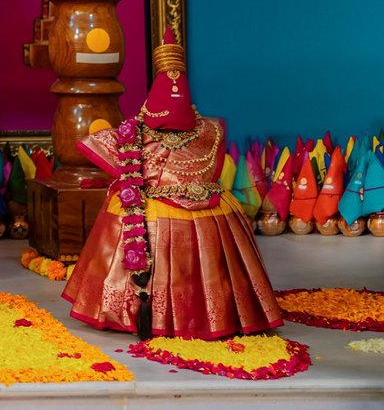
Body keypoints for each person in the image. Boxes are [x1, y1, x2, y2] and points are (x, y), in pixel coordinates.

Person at [62, 42, 282, 339]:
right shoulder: (129, 137)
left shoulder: (210, 131)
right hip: (167, 214)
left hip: (196, 211)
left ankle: (203, 313)